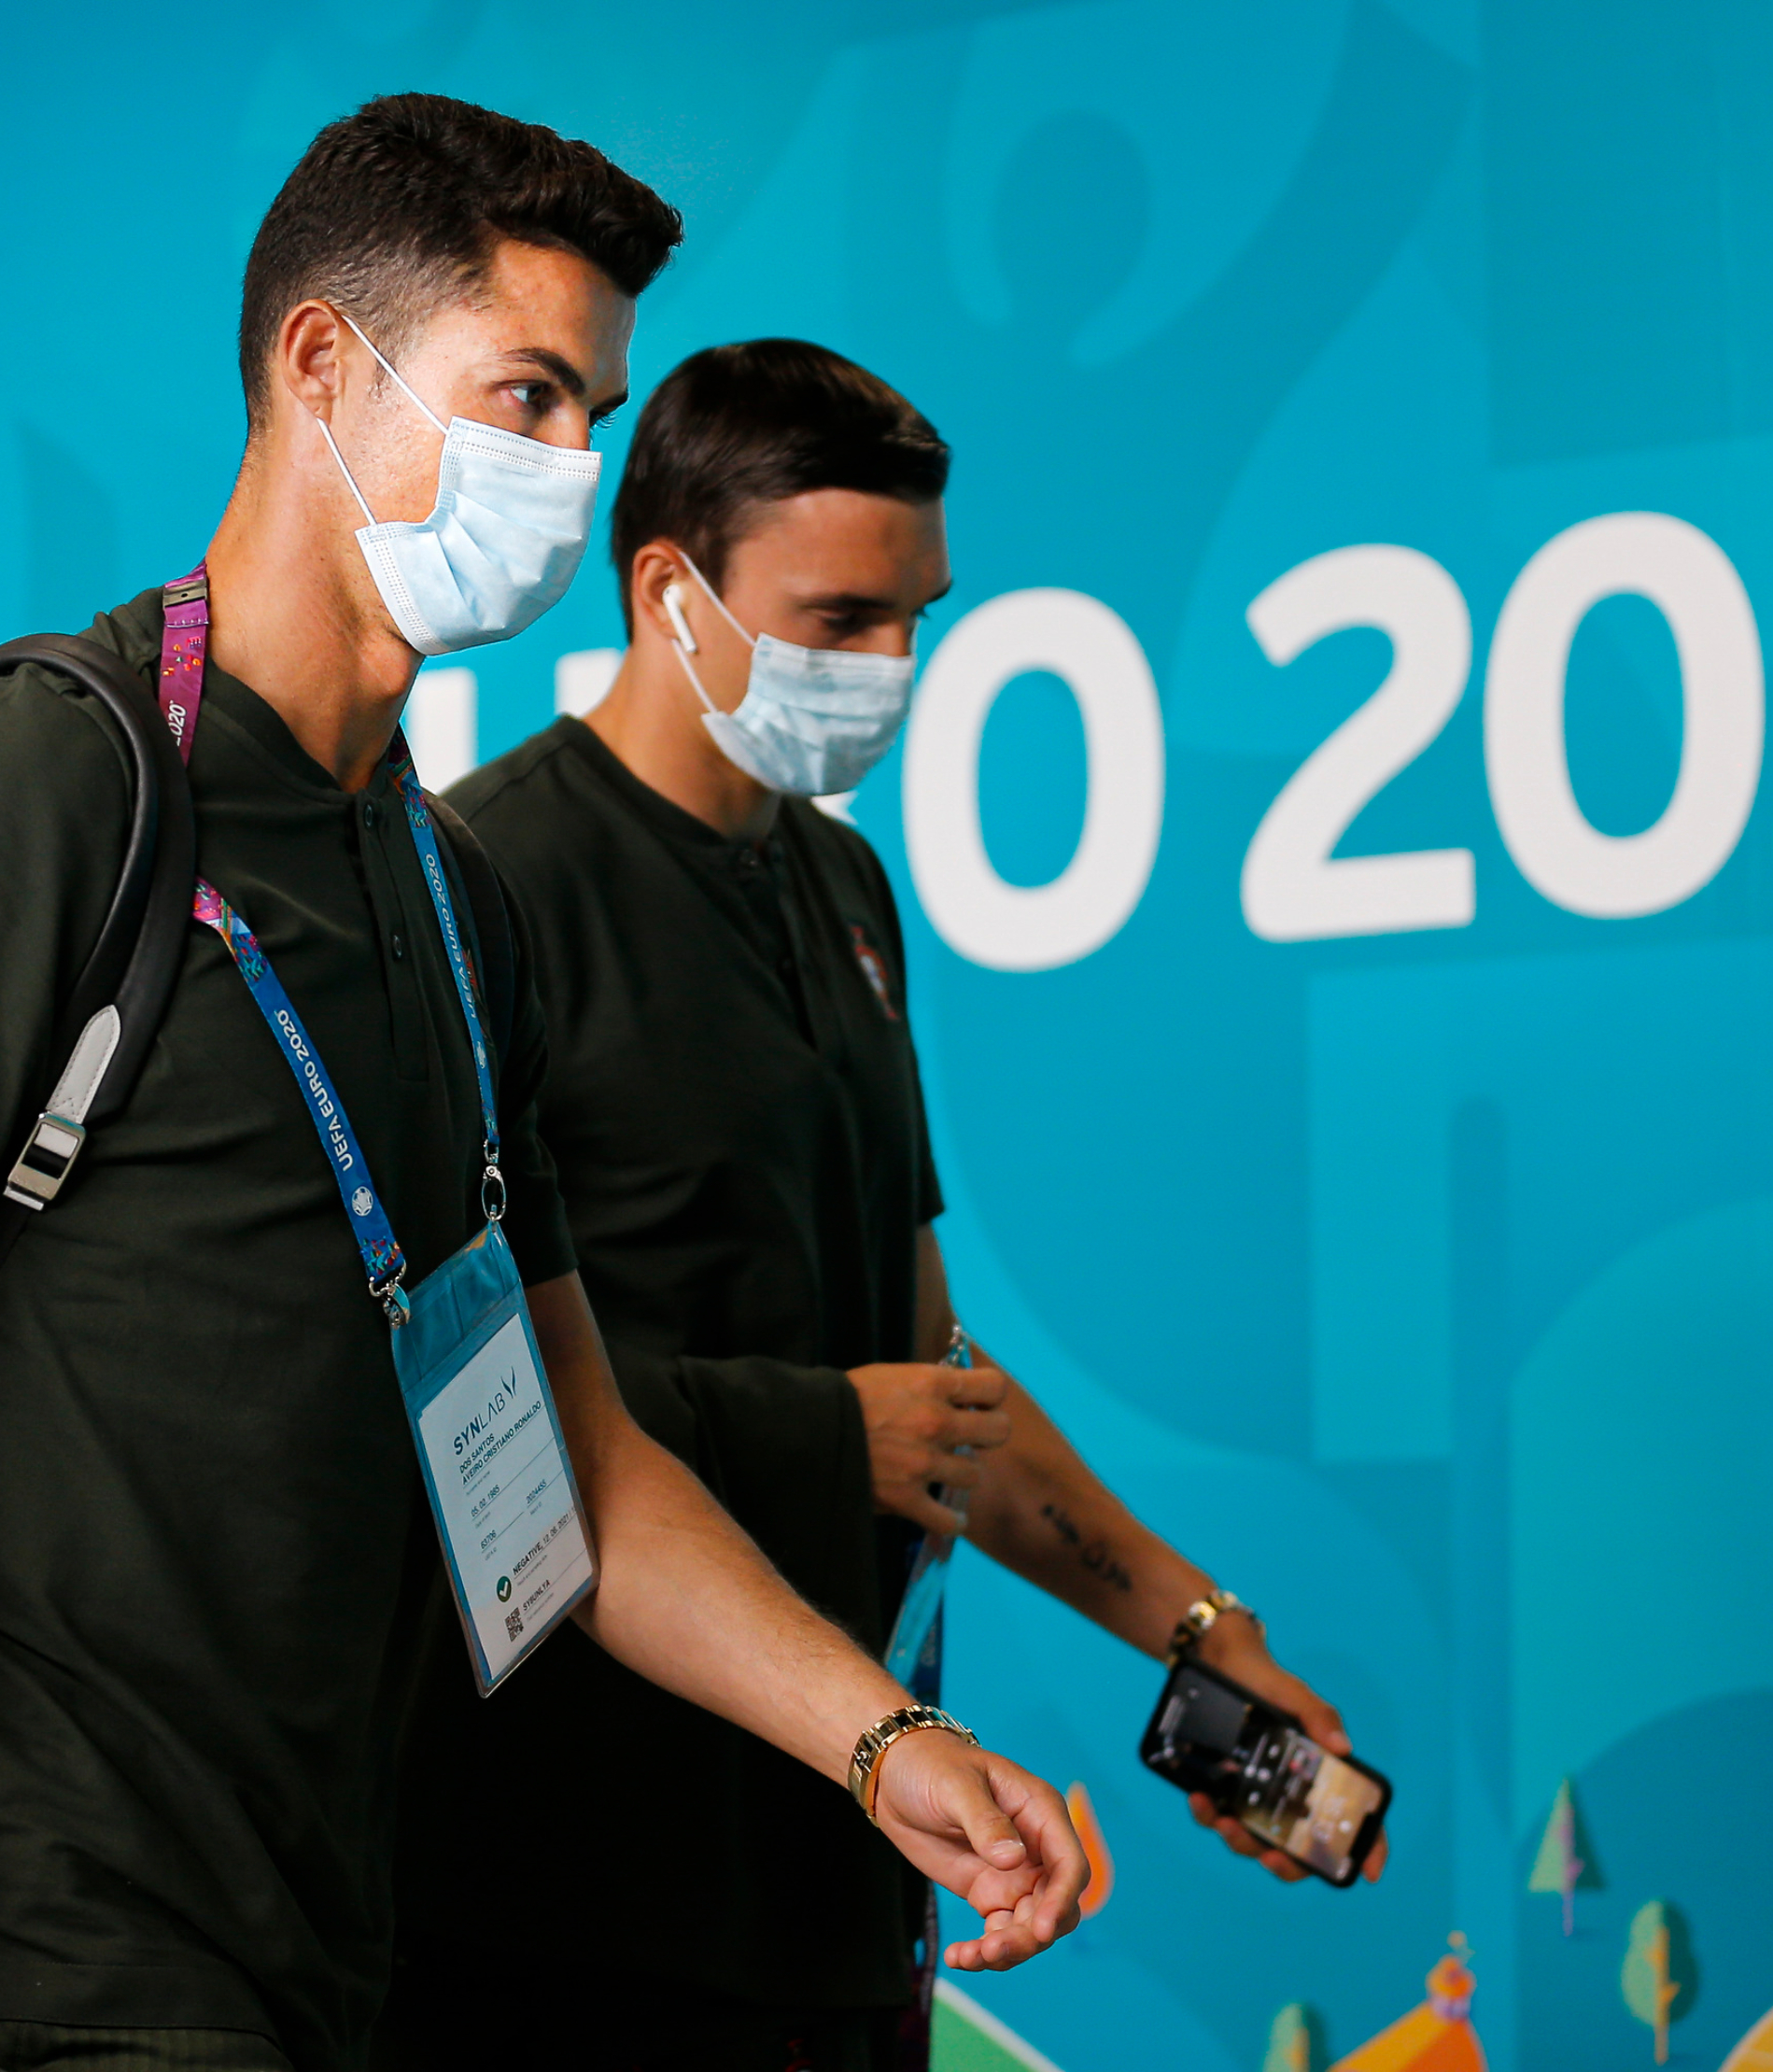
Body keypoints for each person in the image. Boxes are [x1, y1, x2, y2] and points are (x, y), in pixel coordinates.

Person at [0, 106, 1087, 2072]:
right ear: (321, 363)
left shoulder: (454, 894)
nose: (569, 474)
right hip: (25, 1962)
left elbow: (568, 1461)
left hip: (337, 1965)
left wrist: (881, 1742)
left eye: (592, 414)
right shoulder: (38, 780)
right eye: (526, 397)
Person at [385, 340, 1383, 2072]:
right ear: (667, 590)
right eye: (839, 620)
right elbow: (442, 1411)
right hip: (568, 1889)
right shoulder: (482, 888)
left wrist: (1203, 1633)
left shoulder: (841, 885)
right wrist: (817, 1433)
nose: (889, 671)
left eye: (917, 618)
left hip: (845, 1843)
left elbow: (937, 1394)